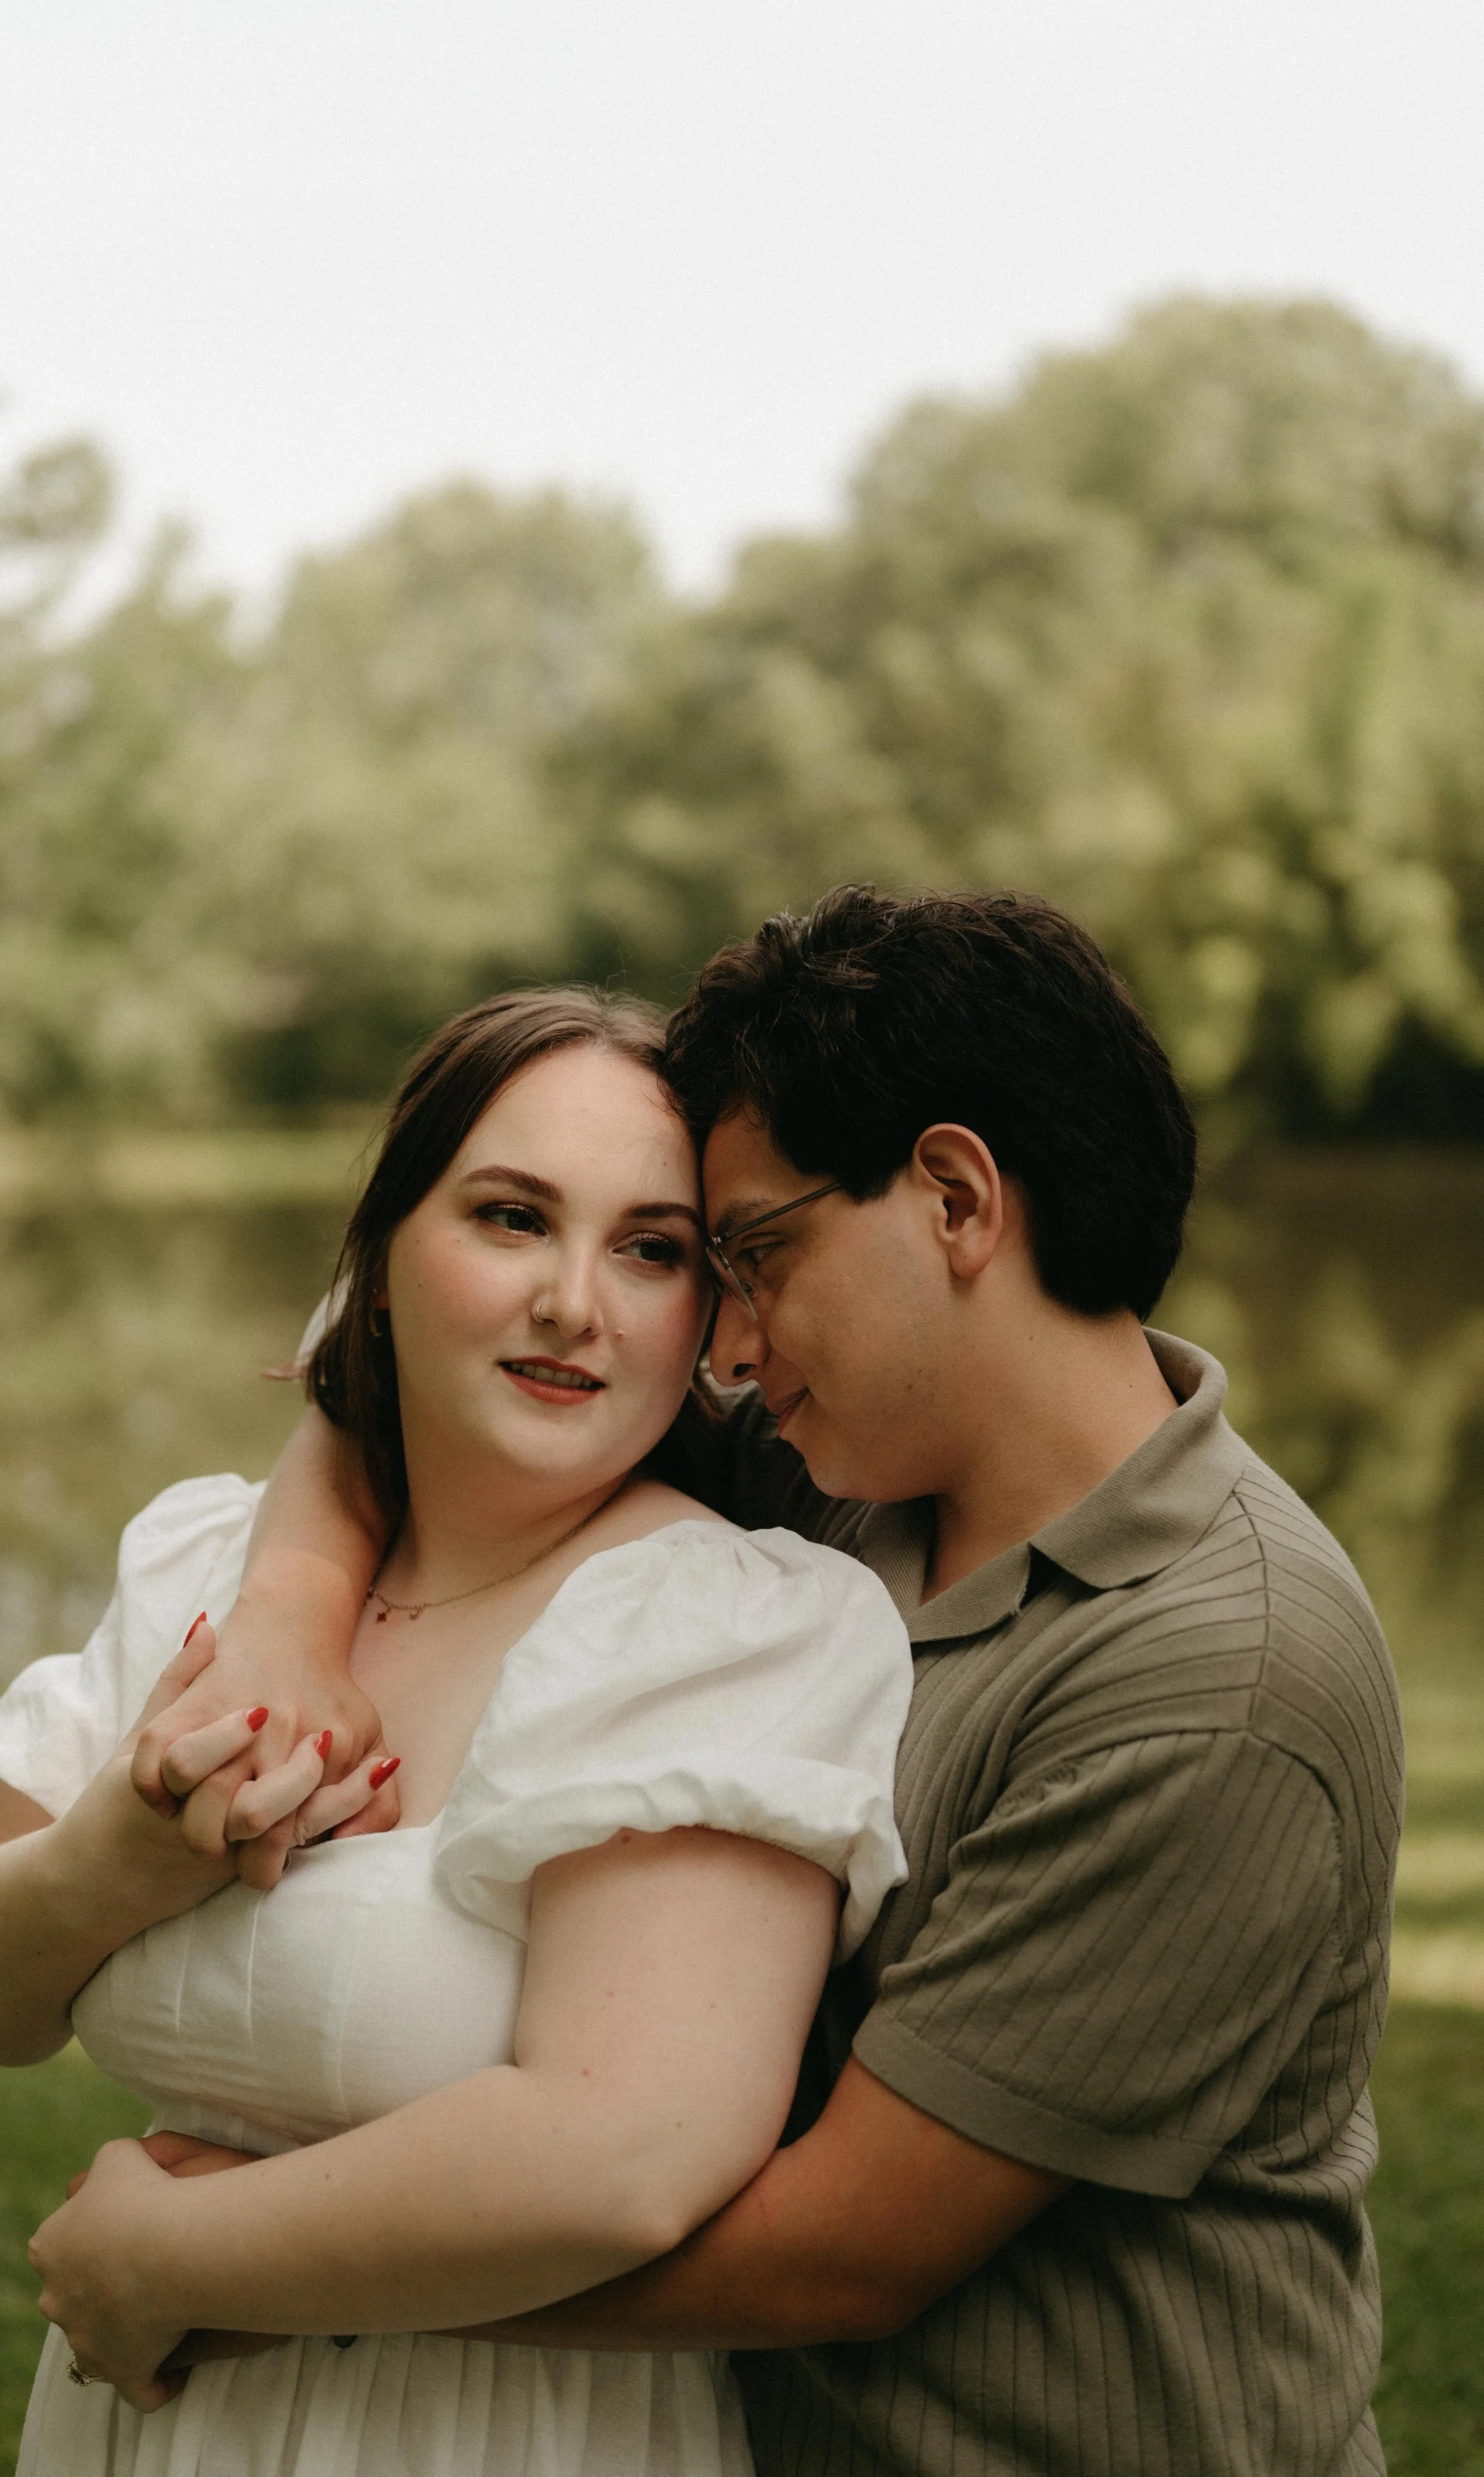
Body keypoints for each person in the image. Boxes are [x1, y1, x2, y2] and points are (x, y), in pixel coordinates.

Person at [154, 887, 1403, 2477]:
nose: (720, 1346)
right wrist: (288, 1612)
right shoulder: (835, 1464)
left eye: (751, 1253)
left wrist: (237, 2270)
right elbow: (390, 1356)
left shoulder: (1214, 1676)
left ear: (953, 1198)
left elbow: (842, 2253)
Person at [0, 986, 913, 2477]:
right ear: (378, 1264)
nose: (575, 1301)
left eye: (649, 1249)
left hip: (502, 2438)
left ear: (706, 1313)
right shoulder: (214, 1573)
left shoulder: (724, 1626)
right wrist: (106, 1861)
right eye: (508, 1218)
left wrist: (166, 2258)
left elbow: (624, 2155)